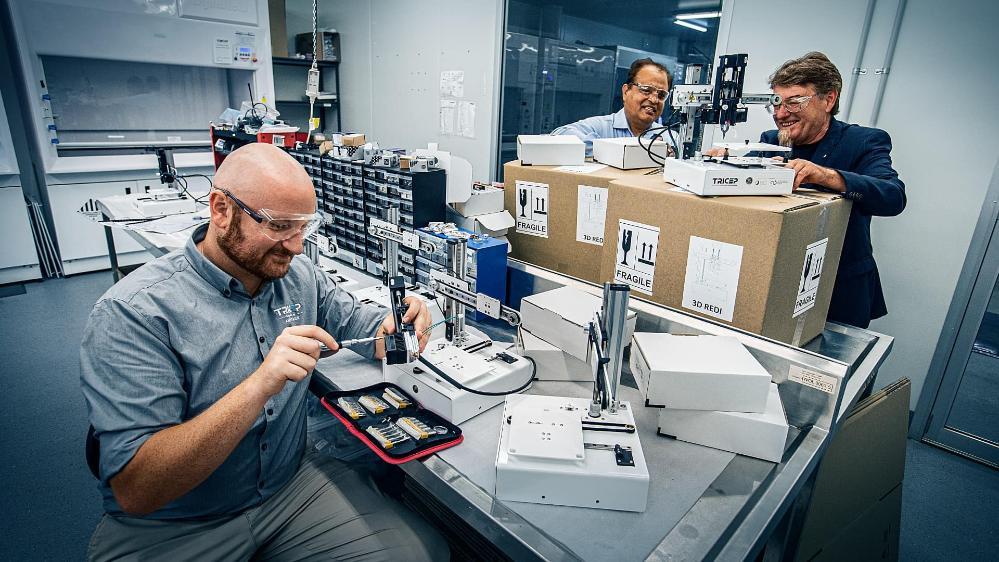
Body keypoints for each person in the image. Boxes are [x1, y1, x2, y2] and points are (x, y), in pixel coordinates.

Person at [80, 143, 448, 561]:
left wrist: (397, 323)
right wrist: (260, 386)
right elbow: (138, 489)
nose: (295, 245)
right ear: (221, 210)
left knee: (422, 554)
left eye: (304, 226)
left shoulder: (299, 275)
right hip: (177, 521)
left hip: (286, 489)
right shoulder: (134, 313)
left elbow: (358, 325)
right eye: (279, 226)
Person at [713, 51, 906, 328]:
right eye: (776, 103)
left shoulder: (863, 141)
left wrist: (828, 176)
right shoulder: (770, 142)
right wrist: (726, 163)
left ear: (828, 99)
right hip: (777, 284)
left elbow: (893, 196)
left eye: (794, 103)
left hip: (838, 293)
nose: (781, 114)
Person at [552, 58, 672, 156]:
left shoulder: (670, 138)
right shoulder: (601, 127)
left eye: (661, 95)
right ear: (626, 92)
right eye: (646, 90)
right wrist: (612, 151)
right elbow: (558, 134)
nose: (654, 99)